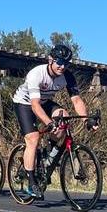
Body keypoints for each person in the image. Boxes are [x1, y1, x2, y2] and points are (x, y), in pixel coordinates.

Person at [12, 44, 99, 198]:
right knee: (33, 138)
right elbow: (34, 105)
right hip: (24, 103)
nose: (62, 66)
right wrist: (49, 123)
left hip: (44, 102)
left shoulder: (67, 76)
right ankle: (31, 182)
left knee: (64, 116)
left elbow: (77, 100)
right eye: (59, 62)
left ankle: (47, 156)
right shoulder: (36, 74)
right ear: (50, 60)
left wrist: (86, 120)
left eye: (66, 63)